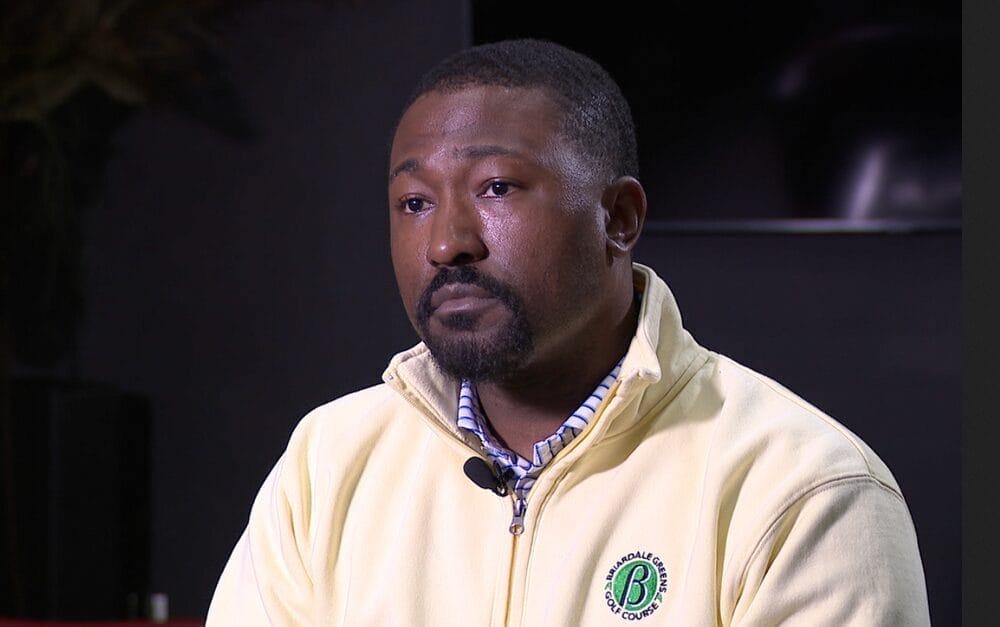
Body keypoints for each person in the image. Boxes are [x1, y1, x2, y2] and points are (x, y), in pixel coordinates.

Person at [206, 38, 930, 625]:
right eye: (415, 201)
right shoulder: (328, 464)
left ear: (618, 218)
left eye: (496, 187)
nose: (446, 242)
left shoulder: (801, 488)